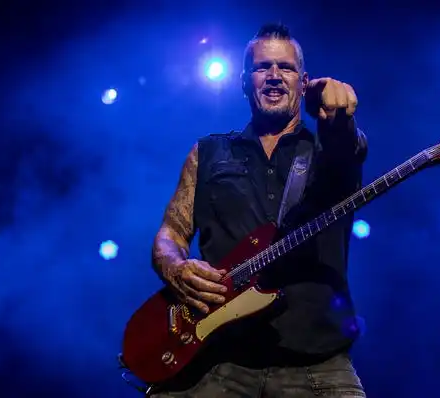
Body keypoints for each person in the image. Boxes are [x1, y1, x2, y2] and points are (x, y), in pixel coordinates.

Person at [150, 23, 368, 397]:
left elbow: (348, 149)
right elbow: (170, 233)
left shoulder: (329, 151)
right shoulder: (209, 152)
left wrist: (337, 114)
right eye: (262, 67)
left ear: (304, 82)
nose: (273, 76)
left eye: (285, 68)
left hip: (317, 367)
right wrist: (175, 266)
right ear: (243, 82)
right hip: (217, 361)